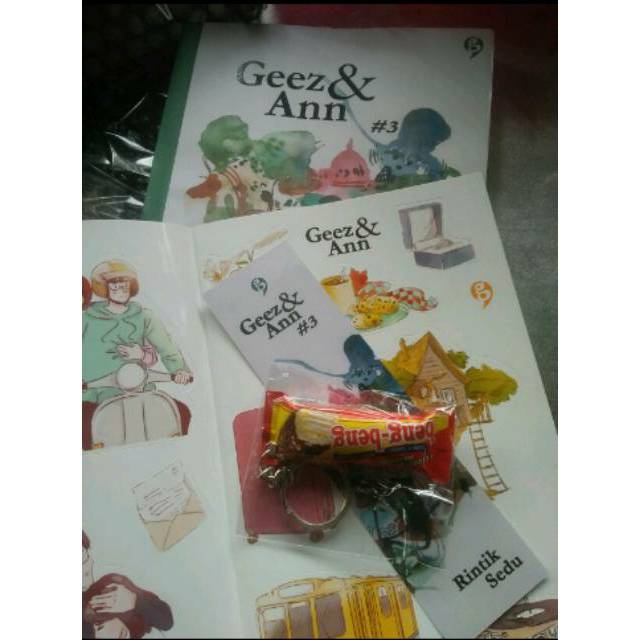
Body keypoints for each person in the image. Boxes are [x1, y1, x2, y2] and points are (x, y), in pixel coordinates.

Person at [82, 261, 192, 449]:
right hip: (94, 392)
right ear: (105, 288)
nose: (120, 290)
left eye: (124, 285)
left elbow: (166, 347)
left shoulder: (144, 316)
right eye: (114, 286)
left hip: (138, 387)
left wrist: (180, 371)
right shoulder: (86, 318)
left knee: (180, 414)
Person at [82, 531, 173, 638]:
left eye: (84, 558)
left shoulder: (111, 582)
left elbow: (166, 621)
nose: (84, 570)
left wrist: (134, 600)